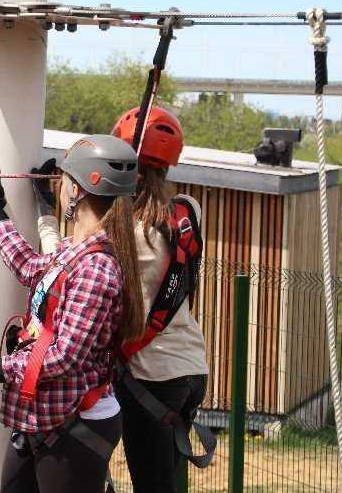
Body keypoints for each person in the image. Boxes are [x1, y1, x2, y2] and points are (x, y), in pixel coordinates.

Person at [0, 135, 144, 493]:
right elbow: (30, 267)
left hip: (73, 423)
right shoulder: (74, 251)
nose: (61, 186)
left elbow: (64, 357)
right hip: (42, 418)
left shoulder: (97, 268)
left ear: (80, 190)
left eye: (66, 179)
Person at [31, 107, 210, 492]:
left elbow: (61, 265)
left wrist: (47, 213)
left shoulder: (125, 232)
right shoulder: (187, 211)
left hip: (148, 375)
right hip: (190, 368)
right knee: (165, 480)